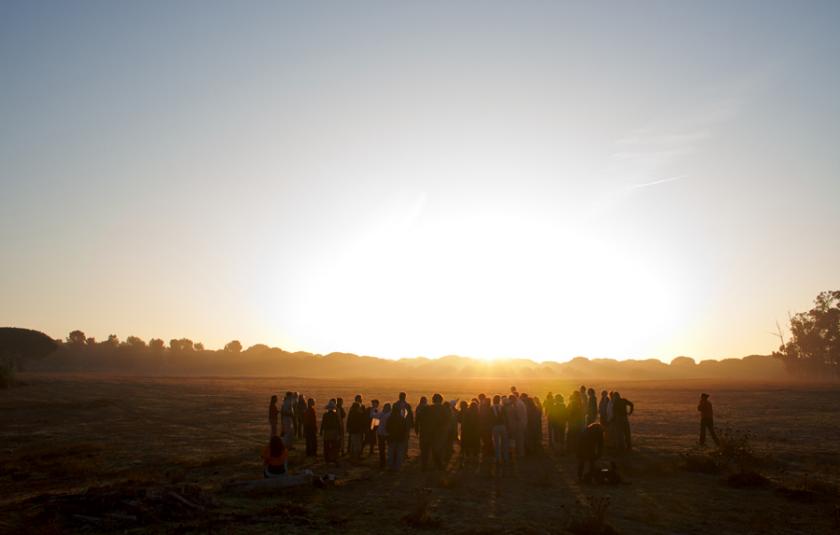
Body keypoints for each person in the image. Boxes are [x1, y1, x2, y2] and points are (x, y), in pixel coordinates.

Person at [386, 398, 409, 471]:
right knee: (399, 453)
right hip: (400, 438)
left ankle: (390, 466)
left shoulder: (390, 418)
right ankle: (397, 467)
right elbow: (405, 429)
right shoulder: (402, 419)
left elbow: (387, 428)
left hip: (392, 438)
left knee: (391, 453)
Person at [320, 399, 341, 464]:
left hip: (327, 432)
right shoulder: (335, 415)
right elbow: (338, 424)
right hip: (334, 432)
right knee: (334, 446)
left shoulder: (325, 415)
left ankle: (327, 459)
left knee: (326, 446)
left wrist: (321, 431)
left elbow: (323, 423)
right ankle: (334, 458)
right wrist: (339, 432)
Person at [491, 395, 509, 465]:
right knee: (505, 443)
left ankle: (498, 458)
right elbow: (506, 417)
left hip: (495, 427)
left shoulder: (491, 408)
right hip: (503, 426)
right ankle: (505, 458)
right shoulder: (502, 407)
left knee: (496, 444)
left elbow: (490, 418)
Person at [376, 403, 391, 468]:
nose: (385, 408)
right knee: (381, 449)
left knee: (389, 448)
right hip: (380, 433)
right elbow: (375, 423)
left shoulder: (390, 415)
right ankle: (382, 462)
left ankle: (387, 461)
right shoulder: (380, 414)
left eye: (387, 407)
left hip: (387, 434)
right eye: (385, 407)